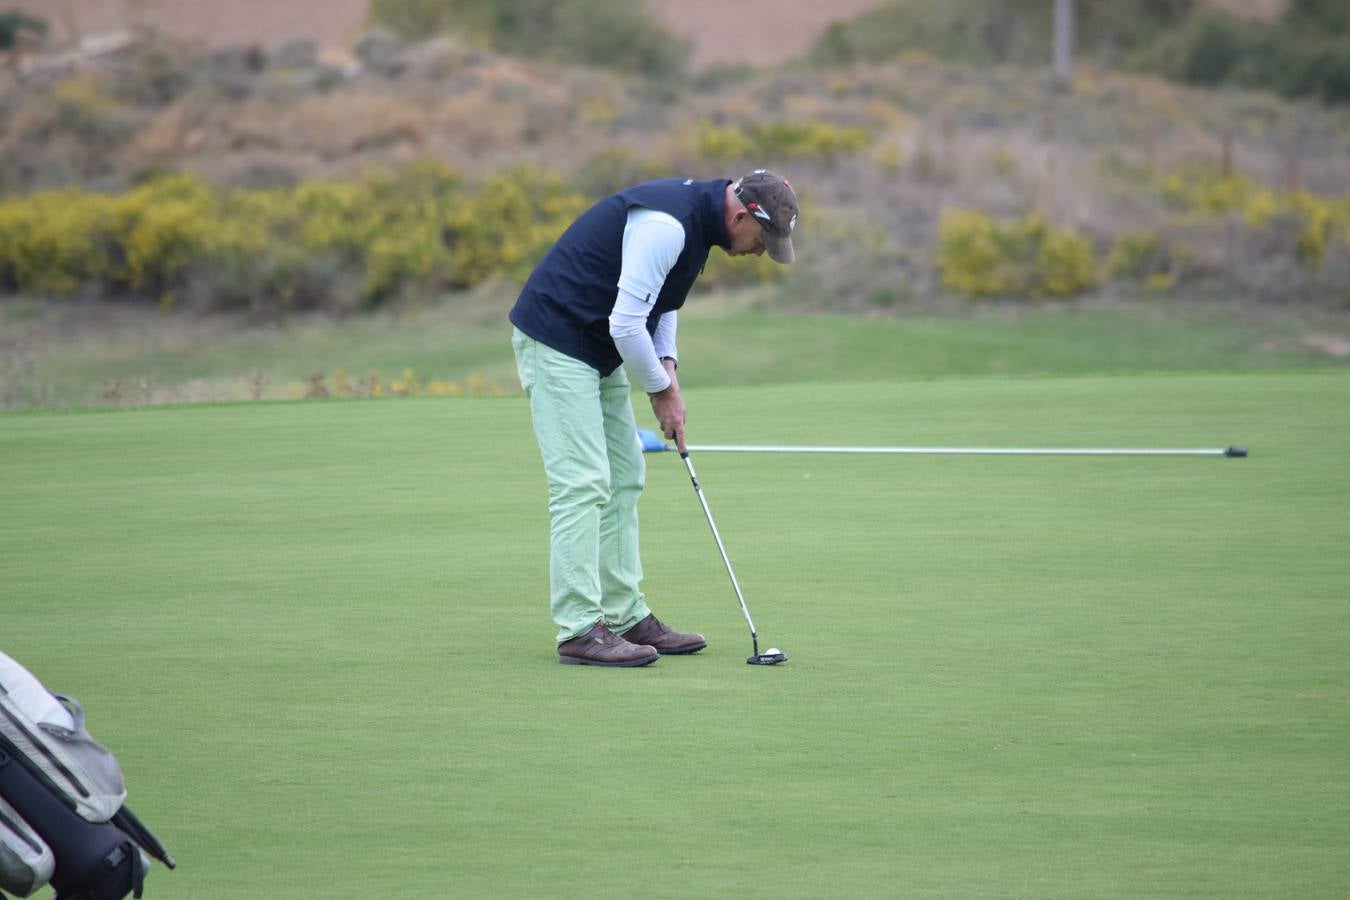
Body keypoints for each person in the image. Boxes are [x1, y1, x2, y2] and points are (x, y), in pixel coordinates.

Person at [509, 169, 799, 666]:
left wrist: (668, 369)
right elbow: (626, 323)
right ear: (740, 215)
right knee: (582, 482)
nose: (760, 251)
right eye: (761, 237)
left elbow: (661, 304)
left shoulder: (698, 227)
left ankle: (625, 616)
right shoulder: (668, 225)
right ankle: (579, 628)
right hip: (557, 339)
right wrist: (661, 392)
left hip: (594, 347)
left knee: (624, 475)